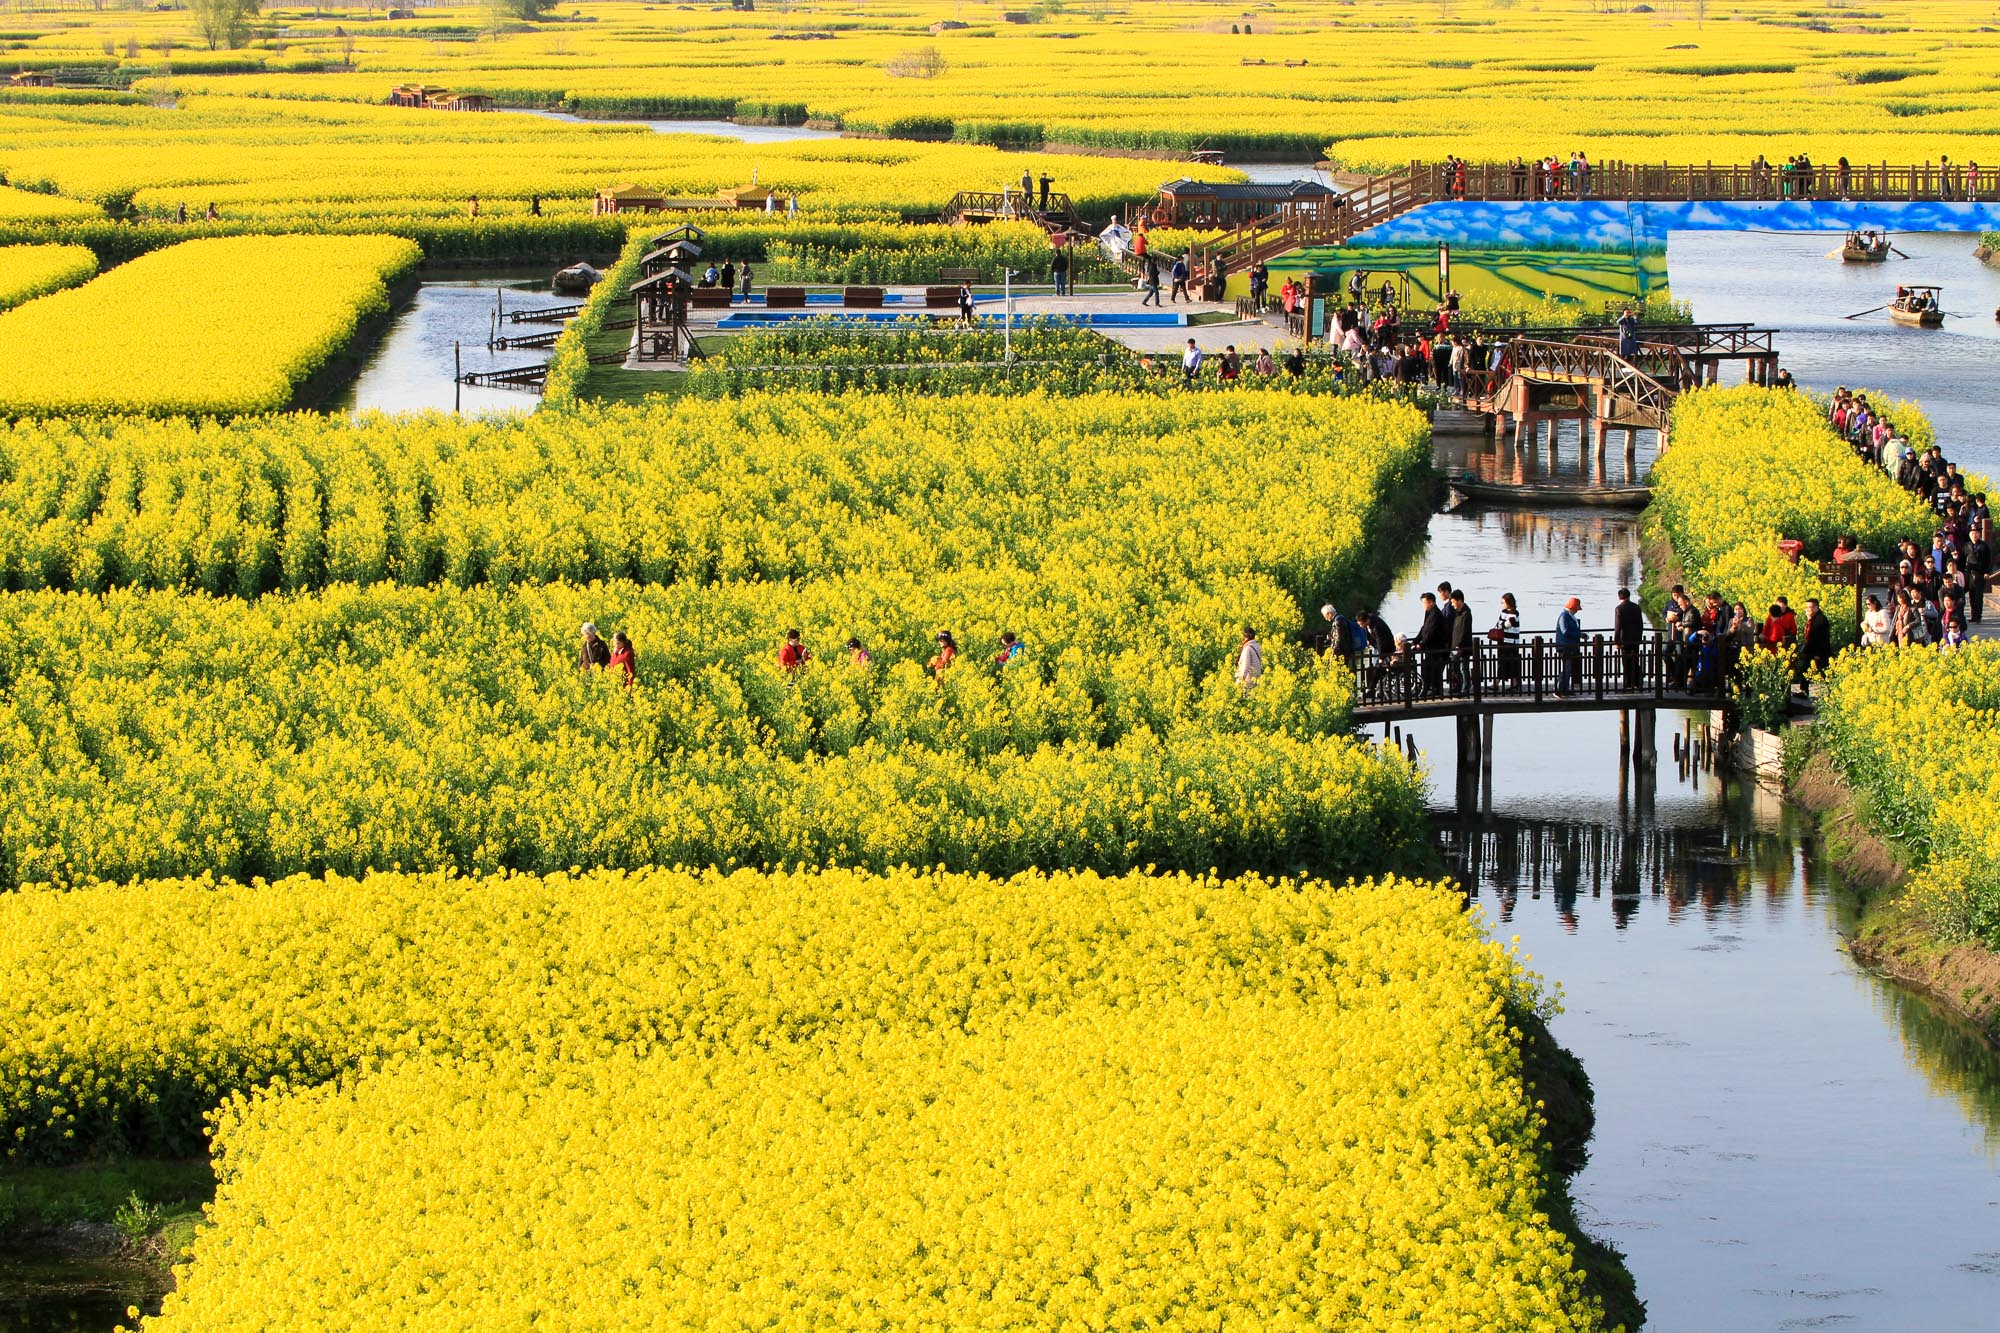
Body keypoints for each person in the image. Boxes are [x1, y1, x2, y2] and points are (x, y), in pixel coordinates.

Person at [1416, 592, 1449, 696]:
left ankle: (1434, 689)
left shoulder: (1435, 614)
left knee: (1434, 668)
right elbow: (1424, 628)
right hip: (1429, 647)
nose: (1423, 605)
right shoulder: (1429, 612)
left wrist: (1421, 644)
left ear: (1431, 602)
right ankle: (1429, 688)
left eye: (1424, 602)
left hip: (1436, 646)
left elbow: (1431, 631)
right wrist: (1416, 641)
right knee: (1429, 667)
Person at [1613, 586, 1643, 690]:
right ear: (1629, 596)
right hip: (1635, 639)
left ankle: (1627, 683)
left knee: (1626, 662)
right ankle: (1637, 682)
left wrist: (1616, 641)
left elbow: (1618, 627)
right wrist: (1639, 638)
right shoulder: (1636, 607)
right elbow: (1640, 624)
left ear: (1619, 597)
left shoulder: (1619, 609)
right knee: (1635, 660)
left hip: (1624, 640)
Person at [1491, 593, 1522, 691]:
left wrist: (1502, 624)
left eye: (1503, 602)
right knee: (1502, 662)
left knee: (1510, 663)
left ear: (1509, 602)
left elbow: (1507, 624)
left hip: (1511, 642)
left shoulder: (1514, 613)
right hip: (1502, 641)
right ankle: (1498, 683)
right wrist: (1502, 624)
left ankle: (1506, 684)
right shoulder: (1503, 612)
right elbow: (1500, 623)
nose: (1502, 604)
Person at [1797, 598, 1831, 687]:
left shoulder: (1820, 620)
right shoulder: (1813, 618)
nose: (1807, 610)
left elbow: (1822, 638)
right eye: (1806, 607)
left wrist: (1818, 654)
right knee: (1805, 669)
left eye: (1810, 607)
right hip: (1810, 649)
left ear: (1816, 608)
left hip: (1819, 651)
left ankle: (1832, 691)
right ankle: (1803, 690)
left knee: (1824, 671)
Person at [1448, 588, 1475, 693]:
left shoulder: (1466, 613)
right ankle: (1458, 685)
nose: (1452, 605)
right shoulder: (1457, 613)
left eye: (1453, 602)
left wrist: (1459, 645)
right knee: (1454, 666)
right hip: (1455, 645)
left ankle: (1466, 687)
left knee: (1464, 667)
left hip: (1463, 646)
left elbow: (1464, 631)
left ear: (1459, 600)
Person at [1554, 597, 1583, 695]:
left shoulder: (1569, 616)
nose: (1577, 611)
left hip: (1569, 647)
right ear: (1572, 608)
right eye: (1576, 609)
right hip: (1565, 647)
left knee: (1569, 669)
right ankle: (1559, 689)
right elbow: (1565, 631)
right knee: (1567, 668)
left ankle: (1565, 689)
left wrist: (1580, 634)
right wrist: (1579, 635)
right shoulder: (1564, 616)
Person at [1235, 625, 1263, 691]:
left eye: (1243, 637)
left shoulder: (1247, 649)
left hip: (1249, 681)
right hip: (1256, 678)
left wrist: (1239, 682)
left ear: (1246, 637)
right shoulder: (1256, 645)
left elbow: (1245, 666)